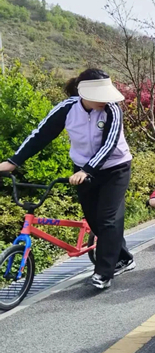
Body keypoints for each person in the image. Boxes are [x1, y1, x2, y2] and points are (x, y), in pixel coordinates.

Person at [0, 69, 134, 290]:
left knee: (108, 219)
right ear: (84, 93)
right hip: (82, 169)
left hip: (115, 168)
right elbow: (40, 135)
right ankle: (123, 258)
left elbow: (109, 144)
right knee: (95, 220)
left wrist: (87, 170)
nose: (105, 100)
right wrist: (13, 162)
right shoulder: (67, 108)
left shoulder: (112, 109)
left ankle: (103, 273)